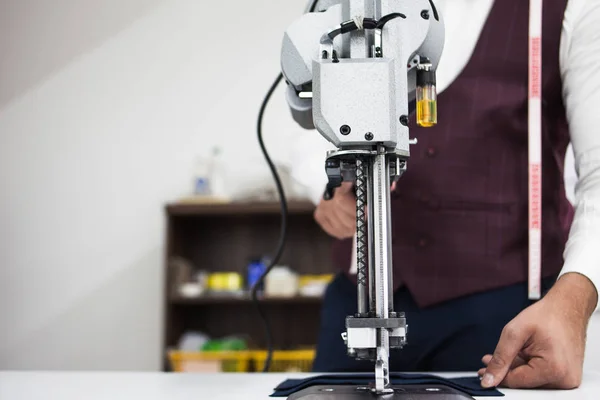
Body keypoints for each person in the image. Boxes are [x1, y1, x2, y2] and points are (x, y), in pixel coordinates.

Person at [291, 0, 600, 390]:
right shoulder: (350, 6)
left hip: (503, 309)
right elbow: (307, 116)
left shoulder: (566, 9)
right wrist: (326, 186)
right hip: (358, 299)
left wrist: (575, 297)